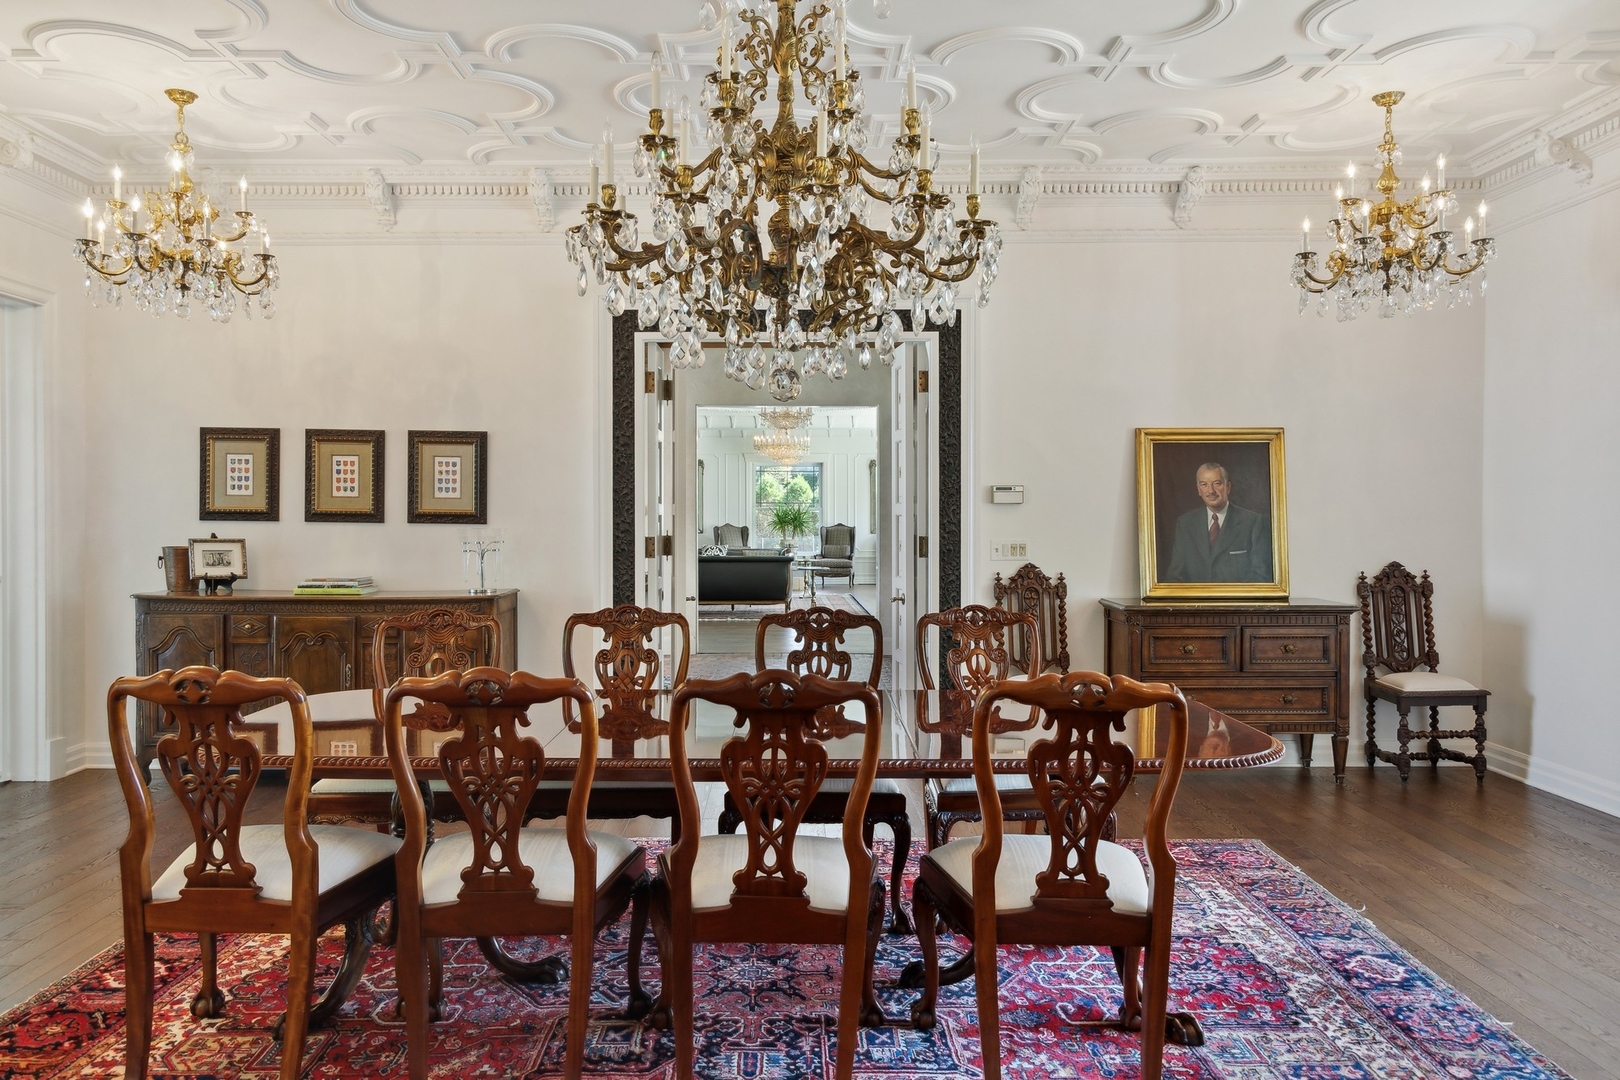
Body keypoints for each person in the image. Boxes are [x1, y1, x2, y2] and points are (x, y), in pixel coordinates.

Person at [1165, 462, 1271, 583]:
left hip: (1237, 601)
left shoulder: (1253, 522)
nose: (1211, 491)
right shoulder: (1185, 524)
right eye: (1204, 484)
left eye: (1217, 483)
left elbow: (1261, 575)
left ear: (1228, 487)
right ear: (1198, 489)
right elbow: (1175, 577)